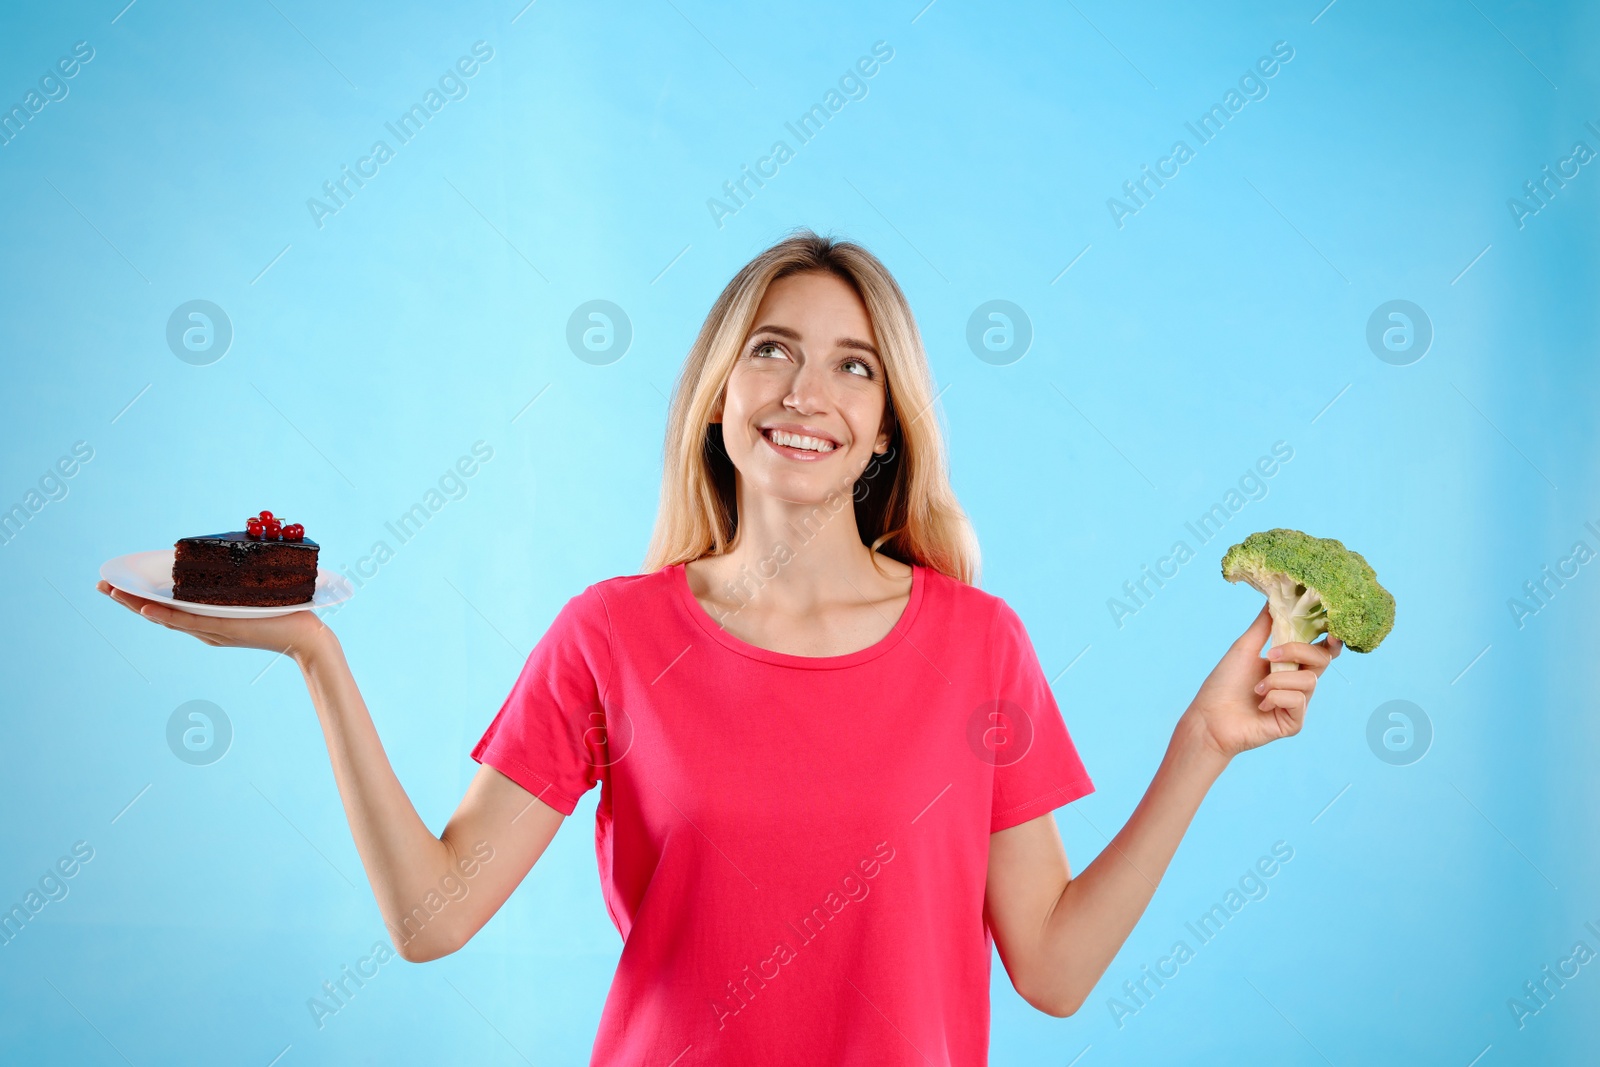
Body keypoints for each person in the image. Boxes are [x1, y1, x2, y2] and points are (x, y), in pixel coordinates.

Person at [98, 230, 1339, 1065]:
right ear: (716, 396)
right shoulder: (611, 634)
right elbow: (432, 917)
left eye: (852, 366)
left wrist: (1202, 743)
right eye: (771, 350)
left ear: (884, 429)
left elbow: (1053, 968)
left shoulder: (980, 644)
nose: (808, 392)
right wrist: (317, 653)